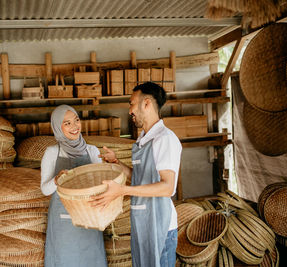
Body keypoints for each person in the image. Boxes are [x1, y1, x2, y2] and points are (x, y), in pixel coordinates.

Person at [92, 82, 182, 267]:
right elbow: (140, 179)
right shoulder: (143, 139)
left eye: (132, 103)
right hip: (144, 223)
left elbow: (167, 187)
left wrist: (122, 190)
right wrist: (117, 163)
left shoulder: (164, 139)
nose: (130, 110)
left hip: (160, 225)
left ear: (147, 103)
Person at [40, 104, 107, 267]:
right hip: (63, 223)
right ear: (57, 126)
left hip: (89, 219)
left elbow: (102, 184)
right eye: (67, 123)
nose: (74, 126)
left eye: (76, 120)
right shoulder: (52, 152)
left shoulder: (91, 151)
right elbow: (44, 190)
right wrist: (57, 180)